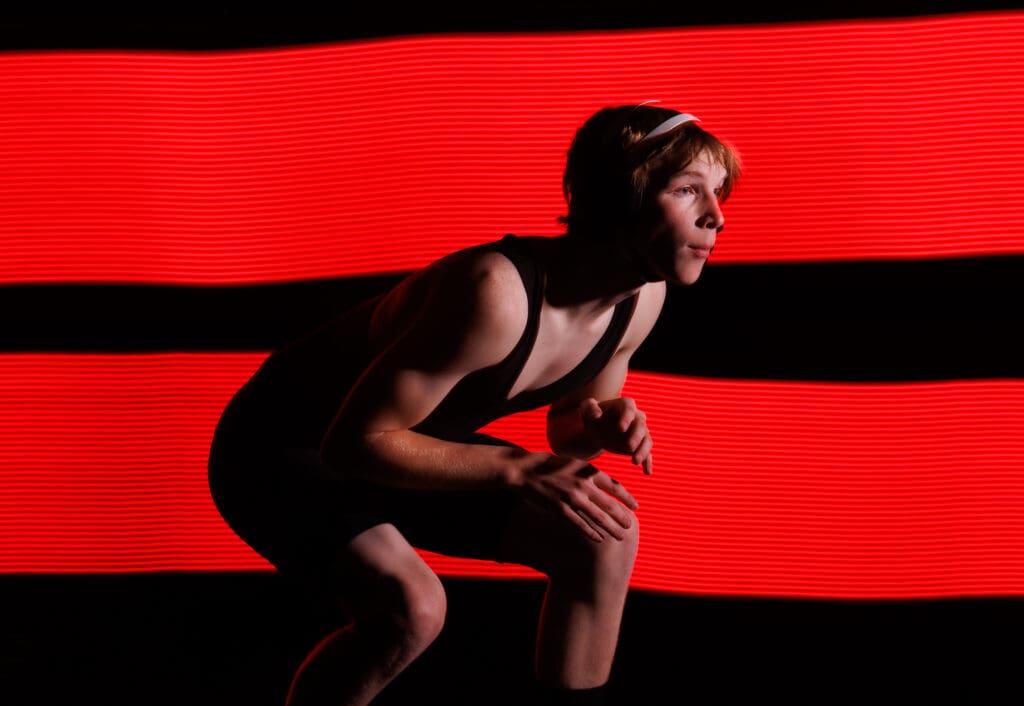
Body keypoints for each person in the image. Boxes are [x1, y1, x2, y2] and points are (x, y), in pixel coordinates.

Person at [207, 103, 741, 706]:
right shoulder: (495, 294)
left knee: (602, 535)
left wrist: (601, 423)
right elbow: (351, 443)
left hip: (402, 444)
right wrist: (518, 468)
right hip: (280, 449)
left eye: (719, 193)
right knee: (412, 610)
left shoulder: (641, 301)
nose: (716, 217)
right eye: (687, 190)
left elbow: (569, 431)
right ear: (620, 195)